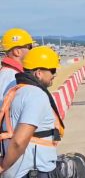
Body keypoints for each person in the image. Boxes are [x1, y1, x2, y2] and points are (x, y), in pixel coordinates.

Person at [0, 46, 65, 178]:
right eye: (52, 70)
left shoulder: (17, 90)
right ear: (39, 72)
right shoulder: (35, 95)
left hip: (19, 170)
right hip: (33, 171)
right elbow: (19, 141)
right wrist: (2, 166)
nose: (54, 74)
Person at [0, 28, 34, 100]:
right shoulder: (10, 75)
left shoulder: (12, 73)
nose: (32, 50)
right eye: (29, 47)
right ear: (17, 52)